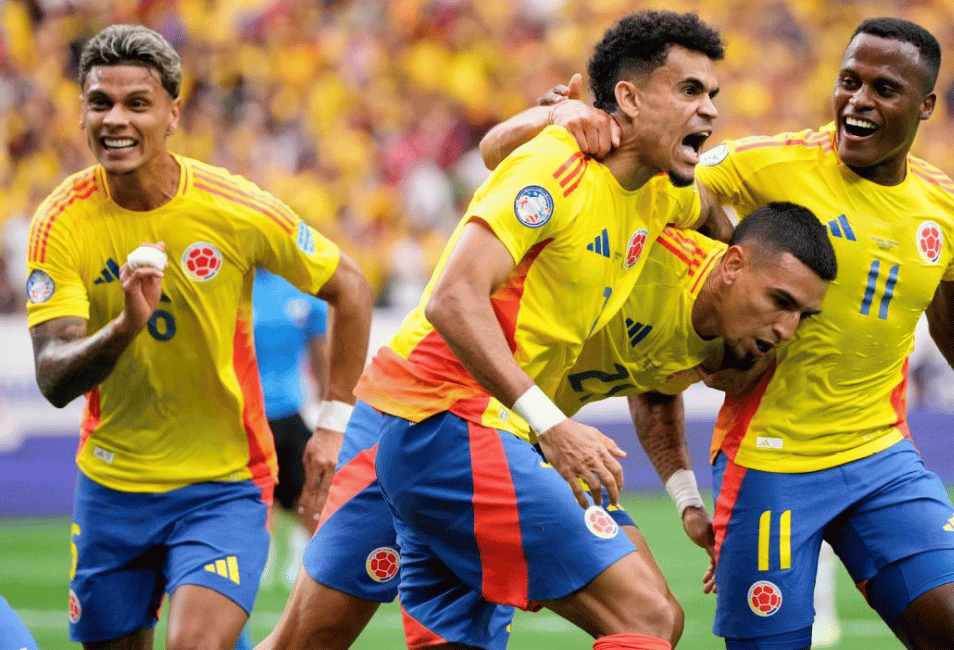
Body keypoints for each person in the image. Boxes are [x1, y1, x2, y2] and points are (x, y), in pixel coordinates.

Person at [494, 16, 954, 650]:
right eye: (849, 81)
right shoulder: (768, 164)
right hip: (767, 461)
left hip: (880, 453)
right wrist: (561, 121)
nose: (858, 100)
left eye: (884, 89)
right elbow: (643, 167)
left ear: (925, 106)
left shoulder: (947, 211)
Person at [257, 202, 834, 650]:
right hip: (420, 410)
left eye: (800, 318)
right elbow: (534, 165)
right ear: (733, 268)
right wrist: (555, 115)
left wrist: (686, 500)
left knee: (655, 615)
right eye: (779, 304)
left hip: (510, 437)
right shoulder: (648, 251)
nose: (783, 332)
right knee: (311, 638)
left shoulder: (714, 332)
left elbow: (657, 390)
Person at [360, 11, 727, 650]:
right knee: (645, 618)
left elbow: (717, 218)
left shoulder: (660, 193)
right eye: (689, 90)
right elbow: (452, 299)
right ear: (629, 98)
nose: (710, 110)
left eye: (712, 94)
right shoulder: (559, 164)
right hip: (446, 418)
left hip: (478, 433)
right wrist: (552, 425)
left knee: (654, 618)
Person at [23, 25, 373, 650]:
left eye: (137, 103)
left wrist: (332, 426)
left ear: (173, 113)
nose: (115, 119)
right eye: (101, 102)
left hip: (223, 483)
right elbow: (53, 376)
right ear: (81, 112)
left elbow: (350, 286)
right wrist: (126, 326)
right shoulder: (59, 222)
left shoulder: (232, 208)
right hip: (113, 486)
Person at [252, 268, 330, 587]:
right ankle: (259, 555)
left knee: (308, 495)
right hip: (246, 414)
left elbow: (320, 350)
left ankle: (308, 558)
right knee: (253, 496)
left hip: (289, 409)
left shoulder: (302, 289)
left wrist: (329, 410)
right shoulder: (235, 283)